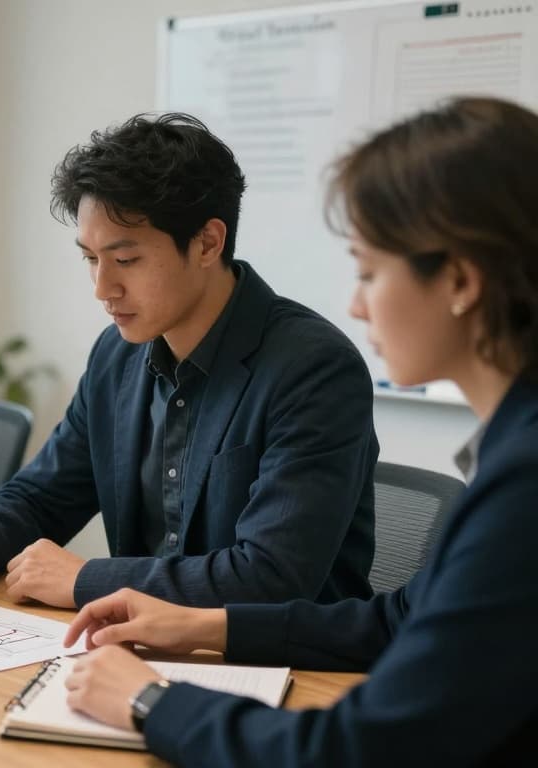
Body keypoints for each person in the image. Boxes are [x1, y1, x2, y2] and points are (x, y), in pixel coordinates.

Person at [58, 97, 538, 765]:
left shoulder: (524, 486)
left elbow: (361, 749)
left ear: (459, 280)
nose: (355, 302)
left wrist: (150, 702)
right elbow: (397, 620)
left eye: (370, 271)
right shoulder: (514, 452)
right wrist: (206, 625)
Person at [0, 113, 378, 610]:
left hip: (284, 668)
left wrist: (88, 579)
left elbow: (273, 575)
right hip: (137, 652)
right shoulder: (117, 356)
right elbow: (45, 494)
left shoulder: (313, 369)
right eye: (90, 258)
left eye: (125, 260)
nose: (103, 288)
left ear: (208, 242)